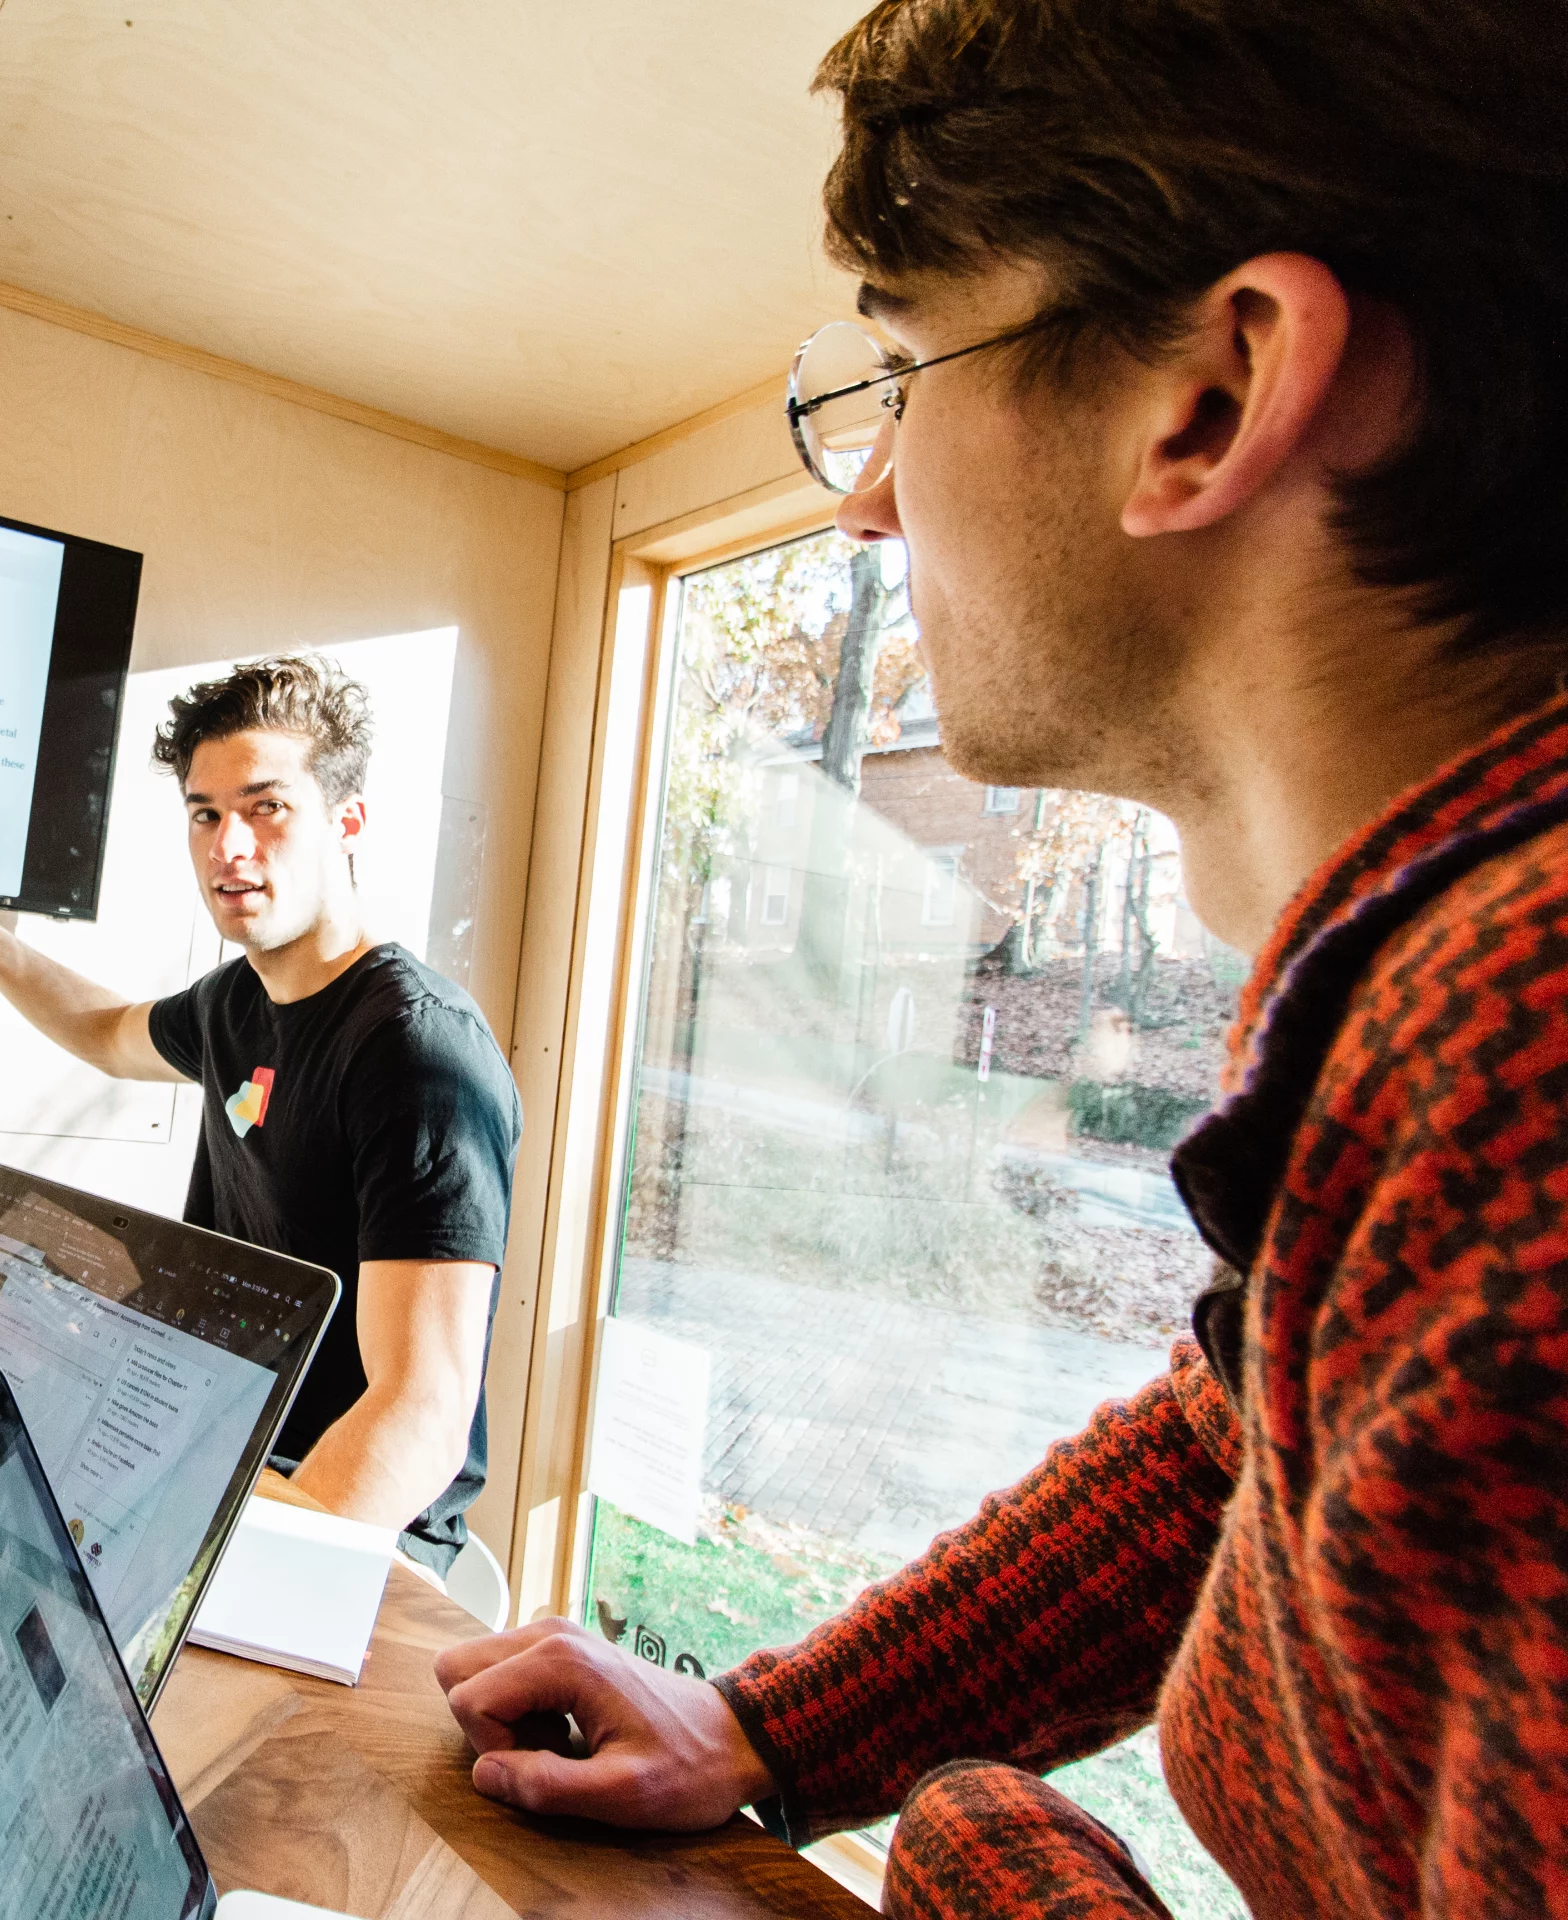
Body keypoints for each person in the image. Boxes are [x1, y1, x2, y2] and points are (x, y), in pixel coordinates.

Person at [432, 1, 1568, 1914]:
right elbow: (1243, 1436)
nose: (868, 494)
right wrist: (770, 1730)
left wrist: (981, 1864)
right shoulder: (1452, 1019)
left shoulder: (1518, 1058)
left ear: (1210, 397)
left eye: (906, 369)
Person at [0, 655, 521, 1572]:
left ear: (347, 822)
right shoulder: (234, 1005)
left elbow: (421, 1413)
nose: (228, 847)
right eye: (205, 814)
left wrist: (217, 1579)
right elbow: (104, 1032)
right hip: (210, 1481)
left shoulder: (416, 1051)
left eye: (266, 807)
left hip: (354, 1536)